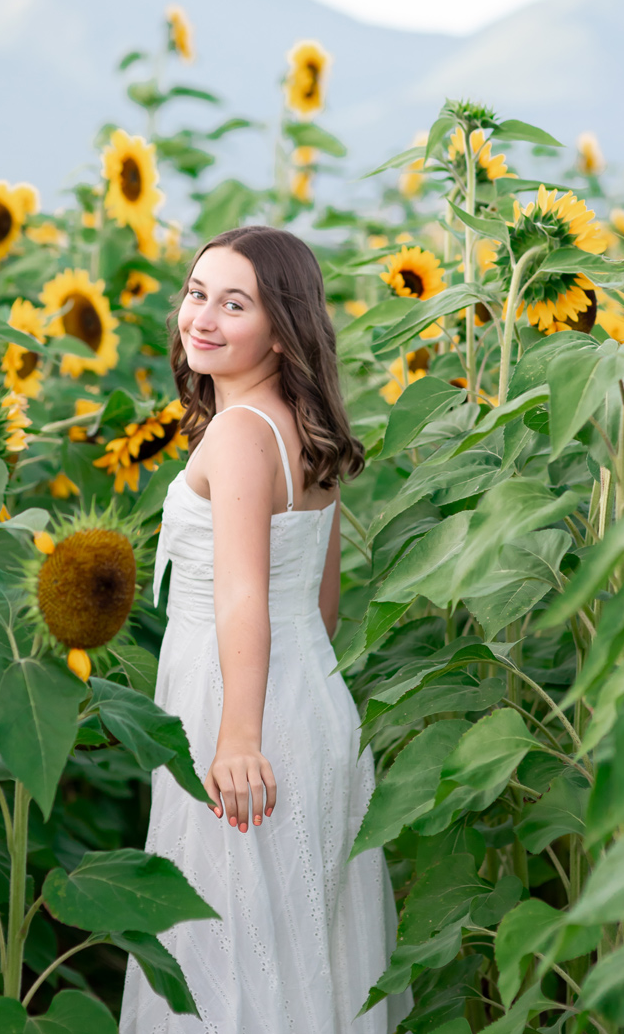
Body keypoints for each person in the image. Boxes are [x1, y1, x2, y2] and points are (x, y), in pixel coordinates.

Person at [120, 226, 409, 1033]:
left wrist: (240, 735)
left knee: (227, 955)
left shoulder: (242, 433)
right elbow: (321, 607)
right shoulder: (304, 430)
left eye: (234, 303)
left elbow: (245, 597)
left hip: (237, 714)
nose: (202, 317)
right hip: (308, 703)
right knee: (296, 949)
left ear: (280, 329)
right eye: (197, 292)